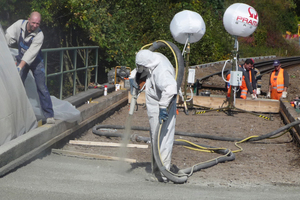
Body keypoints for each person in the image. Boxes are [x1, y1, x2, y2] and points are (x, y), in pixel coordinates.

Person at [133, 49, 177, 182]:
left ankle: (164, 173)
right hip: (155, 104)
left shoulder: (161, 71)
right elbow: (141, 69)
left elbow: (170, 87)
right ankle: (156, 169)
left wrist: (163, 107)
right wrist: (132, 78)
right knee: (154, 137)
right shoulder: (153, 60)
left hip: (163, 105)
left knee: (163, 138)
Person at [5, 11, 55, 124]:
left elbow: (30, 54)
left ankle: (49, 115)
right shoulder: (19, 24)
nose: (35, 25)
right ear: (28, 19)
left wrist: (19, 67)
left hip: (36, 61)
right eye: (33, 23)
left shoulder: (39, 35)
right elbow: (8, 34)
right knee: (18, 85)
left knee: (41, 86)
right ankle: (16, 113)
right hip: (21, 56)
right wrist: (7, 43)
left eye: (38, 23)